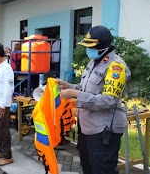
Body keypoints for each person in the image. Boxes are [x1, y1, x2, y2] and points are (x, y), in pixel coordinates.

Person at [56, 26, 131, 174]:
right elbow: (86, 89)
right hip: (87, 128)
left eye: (91, 47)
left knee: (102, 170)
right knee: (88, 167)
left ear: (103, 47)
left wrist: (75, 95)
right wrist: (68, 86)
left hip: (104, 130)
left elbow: (108, 100)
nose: (88, 50)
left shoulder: (116, 67)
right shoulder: (94, 61)